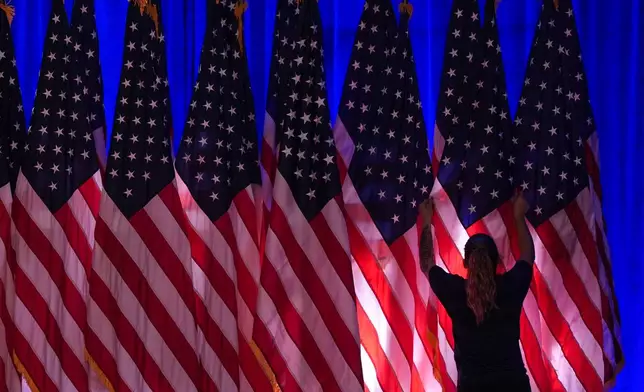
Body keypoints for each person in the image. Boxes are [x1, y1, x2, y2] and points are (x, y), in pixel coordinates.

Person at [419, 192, 535, 392]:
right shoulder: (511, 287)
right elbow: (527, 256)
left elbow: (426, 264)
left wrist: (427, 221)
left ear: (465, 263)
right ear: (497, 263)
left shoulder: (455, 292)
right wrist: (518, 216)